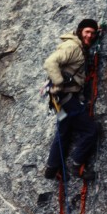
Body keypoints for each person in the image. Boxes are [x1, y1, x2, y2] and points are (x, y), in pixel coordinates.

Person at [43, 19, 99, 181]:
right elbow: (50, 62)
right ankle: (76, 165)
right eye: (87, 32)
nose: (89, 35)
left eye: (92, 33)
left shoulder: (78, 44)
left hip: (58, 101)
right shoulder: (72, 47)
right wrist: (59, 82)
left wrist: (97, 31)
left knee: (64, 131)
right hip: (67, 99)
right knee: (90, 130)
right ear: (80, 31)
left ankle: (51, 168)